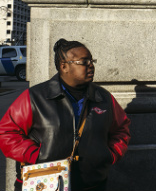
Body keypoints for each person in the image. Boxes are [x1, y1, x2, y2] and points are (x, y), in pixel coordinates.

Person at [0, 39, 131, 191]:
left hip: (92, 184)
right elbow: (6, 132)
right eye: (84, 62)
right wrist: (36, 155)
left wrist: (109, 154)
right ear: (64, 66)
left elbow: (122, 129)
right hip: (44, 182)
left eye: (92, 60)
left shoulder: (104, 98)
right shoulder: (35, 97)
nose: (91, 65)